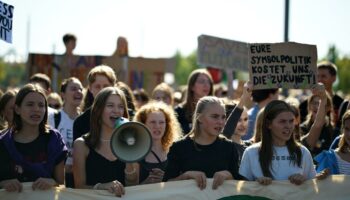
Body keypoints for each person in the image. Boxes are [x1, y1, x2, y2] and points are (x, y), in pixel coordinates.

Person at [238, 84, 328, 185]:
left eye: (291, 121)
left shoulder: (303, 152)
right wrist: (256, 183)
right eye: (282, 121)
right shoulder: (251, 153)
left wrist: (305, 180)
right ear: (268, 124)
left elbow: (313, 188)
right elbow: (242, 191)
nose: (288, 126)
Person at [163, 96, 242, 190]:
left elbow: (241, 185)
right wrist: (186, 176)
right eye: (215, 116)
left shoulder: (229, 147)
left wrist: (228, 175)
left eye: (223, 117)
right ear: (199, 118)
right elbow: (166, 186)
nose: (220, 122)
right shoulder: (179, 147)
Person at [0, 84, 67, 192]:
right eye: (30, 104)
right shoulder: (3, 143)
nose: (36, 109)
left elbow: (62, 185)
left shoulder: (54, 139)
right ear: (17, 109)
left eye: (41, 105)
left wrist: (52, 182)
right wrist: (3, 184)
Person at [73, 87, 136, 197]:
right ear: (98, 110)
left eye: (120, 106)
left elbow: (133, 186)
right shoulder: (81, 145)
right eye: (110, 105)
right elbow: (79, 187)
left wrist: (129, 157)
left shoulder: (132, 144)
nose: (116, 110)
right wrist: (101, 187)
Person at [47, 77, 83, 188]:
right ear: (62, 94)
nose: (78, 92)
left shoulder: (86, 121)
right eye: (73, 89)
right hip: (56, 178)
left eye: (80, 89)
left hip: (79, 179)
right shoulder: (53, 118)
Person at [133, 101, 181, 184]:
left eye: (161, 122)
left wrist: (165, 179)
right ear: (143, 124)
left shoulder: (175, 150)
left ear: (167, 125)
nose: (157, 126)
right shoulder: (134, 153)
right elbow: (131, 190)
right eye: (152, 122)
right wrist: (146, 183)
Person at [73, 65, 117, 141]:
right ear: (90, 89)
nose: (102, 90)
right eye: (97, 86)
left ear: (113, 87)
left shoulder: (124, 116)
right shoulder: (81, 122)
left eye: (106, 86)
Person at [299, 61, 343, 127]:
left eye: (323, 76)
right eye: (317, 76)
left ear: (334, 78)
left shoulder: (342, 104)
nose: (319, 80)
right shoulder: (304, 105)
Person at [175, 69, 214, 135]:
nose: (206, 85)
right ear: (192, 86)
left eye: (208, 82)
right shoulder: (179, 111)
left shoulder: (216, 110)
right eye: (202, 81)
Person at [300, 89, 334, 157]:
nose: (317, 107)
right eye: (314, 103)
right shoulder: (302, 129)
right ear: (309, 106)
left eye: (320, 103)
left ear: (328, 107)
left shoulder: (333, 130)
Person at [314, 110, 350, 175]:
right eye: (347, 129)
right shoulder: (331, 158)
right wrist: (323, 176)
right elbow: (315, 182)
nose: (349, 134)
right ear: (342, 129)